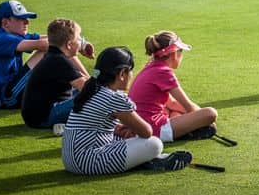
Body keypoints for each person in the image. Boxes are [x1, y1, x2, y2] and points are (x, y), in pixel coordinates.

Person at [62, 46, 191, 175]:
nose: (131, 75)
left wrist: (122, 128)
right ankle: (149, 160)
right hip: (87, 162)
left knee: (130, 138)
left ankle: (147, 160)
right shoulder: (114, 97)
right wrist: (131, 129)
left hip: (71, 160)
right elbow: (146, 132)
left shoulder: (92, 89)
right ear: (122, 74)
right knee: (154, 144)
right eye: (130, 71)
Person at [128, 31, 218, 142]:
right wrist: (203, 120)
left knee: (174, 112)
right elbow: (188, 106)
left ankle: (183, 130)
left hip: (141, 125)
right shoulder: (164, 72)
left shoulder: (152, 66)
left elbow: (171, 104)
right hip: (153, 129)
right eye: (181, 52)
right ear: (175, 54)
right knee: (210, 113)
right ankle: (183, 133)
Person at [20, 18, 94, 129]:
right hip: (44, 117)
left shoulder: (54, 55)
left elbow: (81, 79)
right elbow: (87, 88)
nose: (81, 41)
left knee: (90, 94)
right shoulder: (59, 61)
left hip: (36, 115)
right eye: (79, 38)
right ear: (69, 45)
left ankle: (65, 124)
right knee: (94, 100)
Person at [0, 0, 49, 109]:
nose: (27, 22)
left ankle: (81, 83)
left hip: (9, 92)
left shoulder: (14, 36)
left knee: (60, 44)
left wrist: (78, 41)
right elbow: (44, 44)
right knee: (50, 48)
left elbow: (53, 38)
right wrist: (75, 43)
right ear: (5, 23)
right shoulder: (1, 39)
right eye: (21, 19)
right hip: (4, 98)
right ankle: (82, 84)